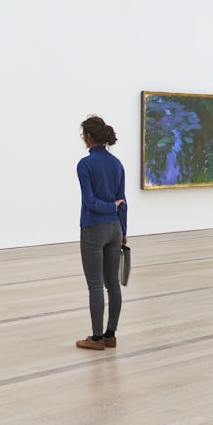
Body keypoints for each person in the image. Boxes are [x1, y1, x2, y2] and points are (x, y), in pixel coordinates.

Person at [75, 115, 128, 351]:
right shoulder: (117, 164)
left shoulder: (84, 165)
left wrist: (109, 207)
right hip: (115, 229)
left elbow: (90, 201)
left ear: (88, 137)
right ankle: (110, 335)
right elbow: (122, 202)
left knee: (95, 286)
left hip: (93, 229)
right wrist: (123, 229)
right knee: (113, 285)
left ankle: (96, 339)